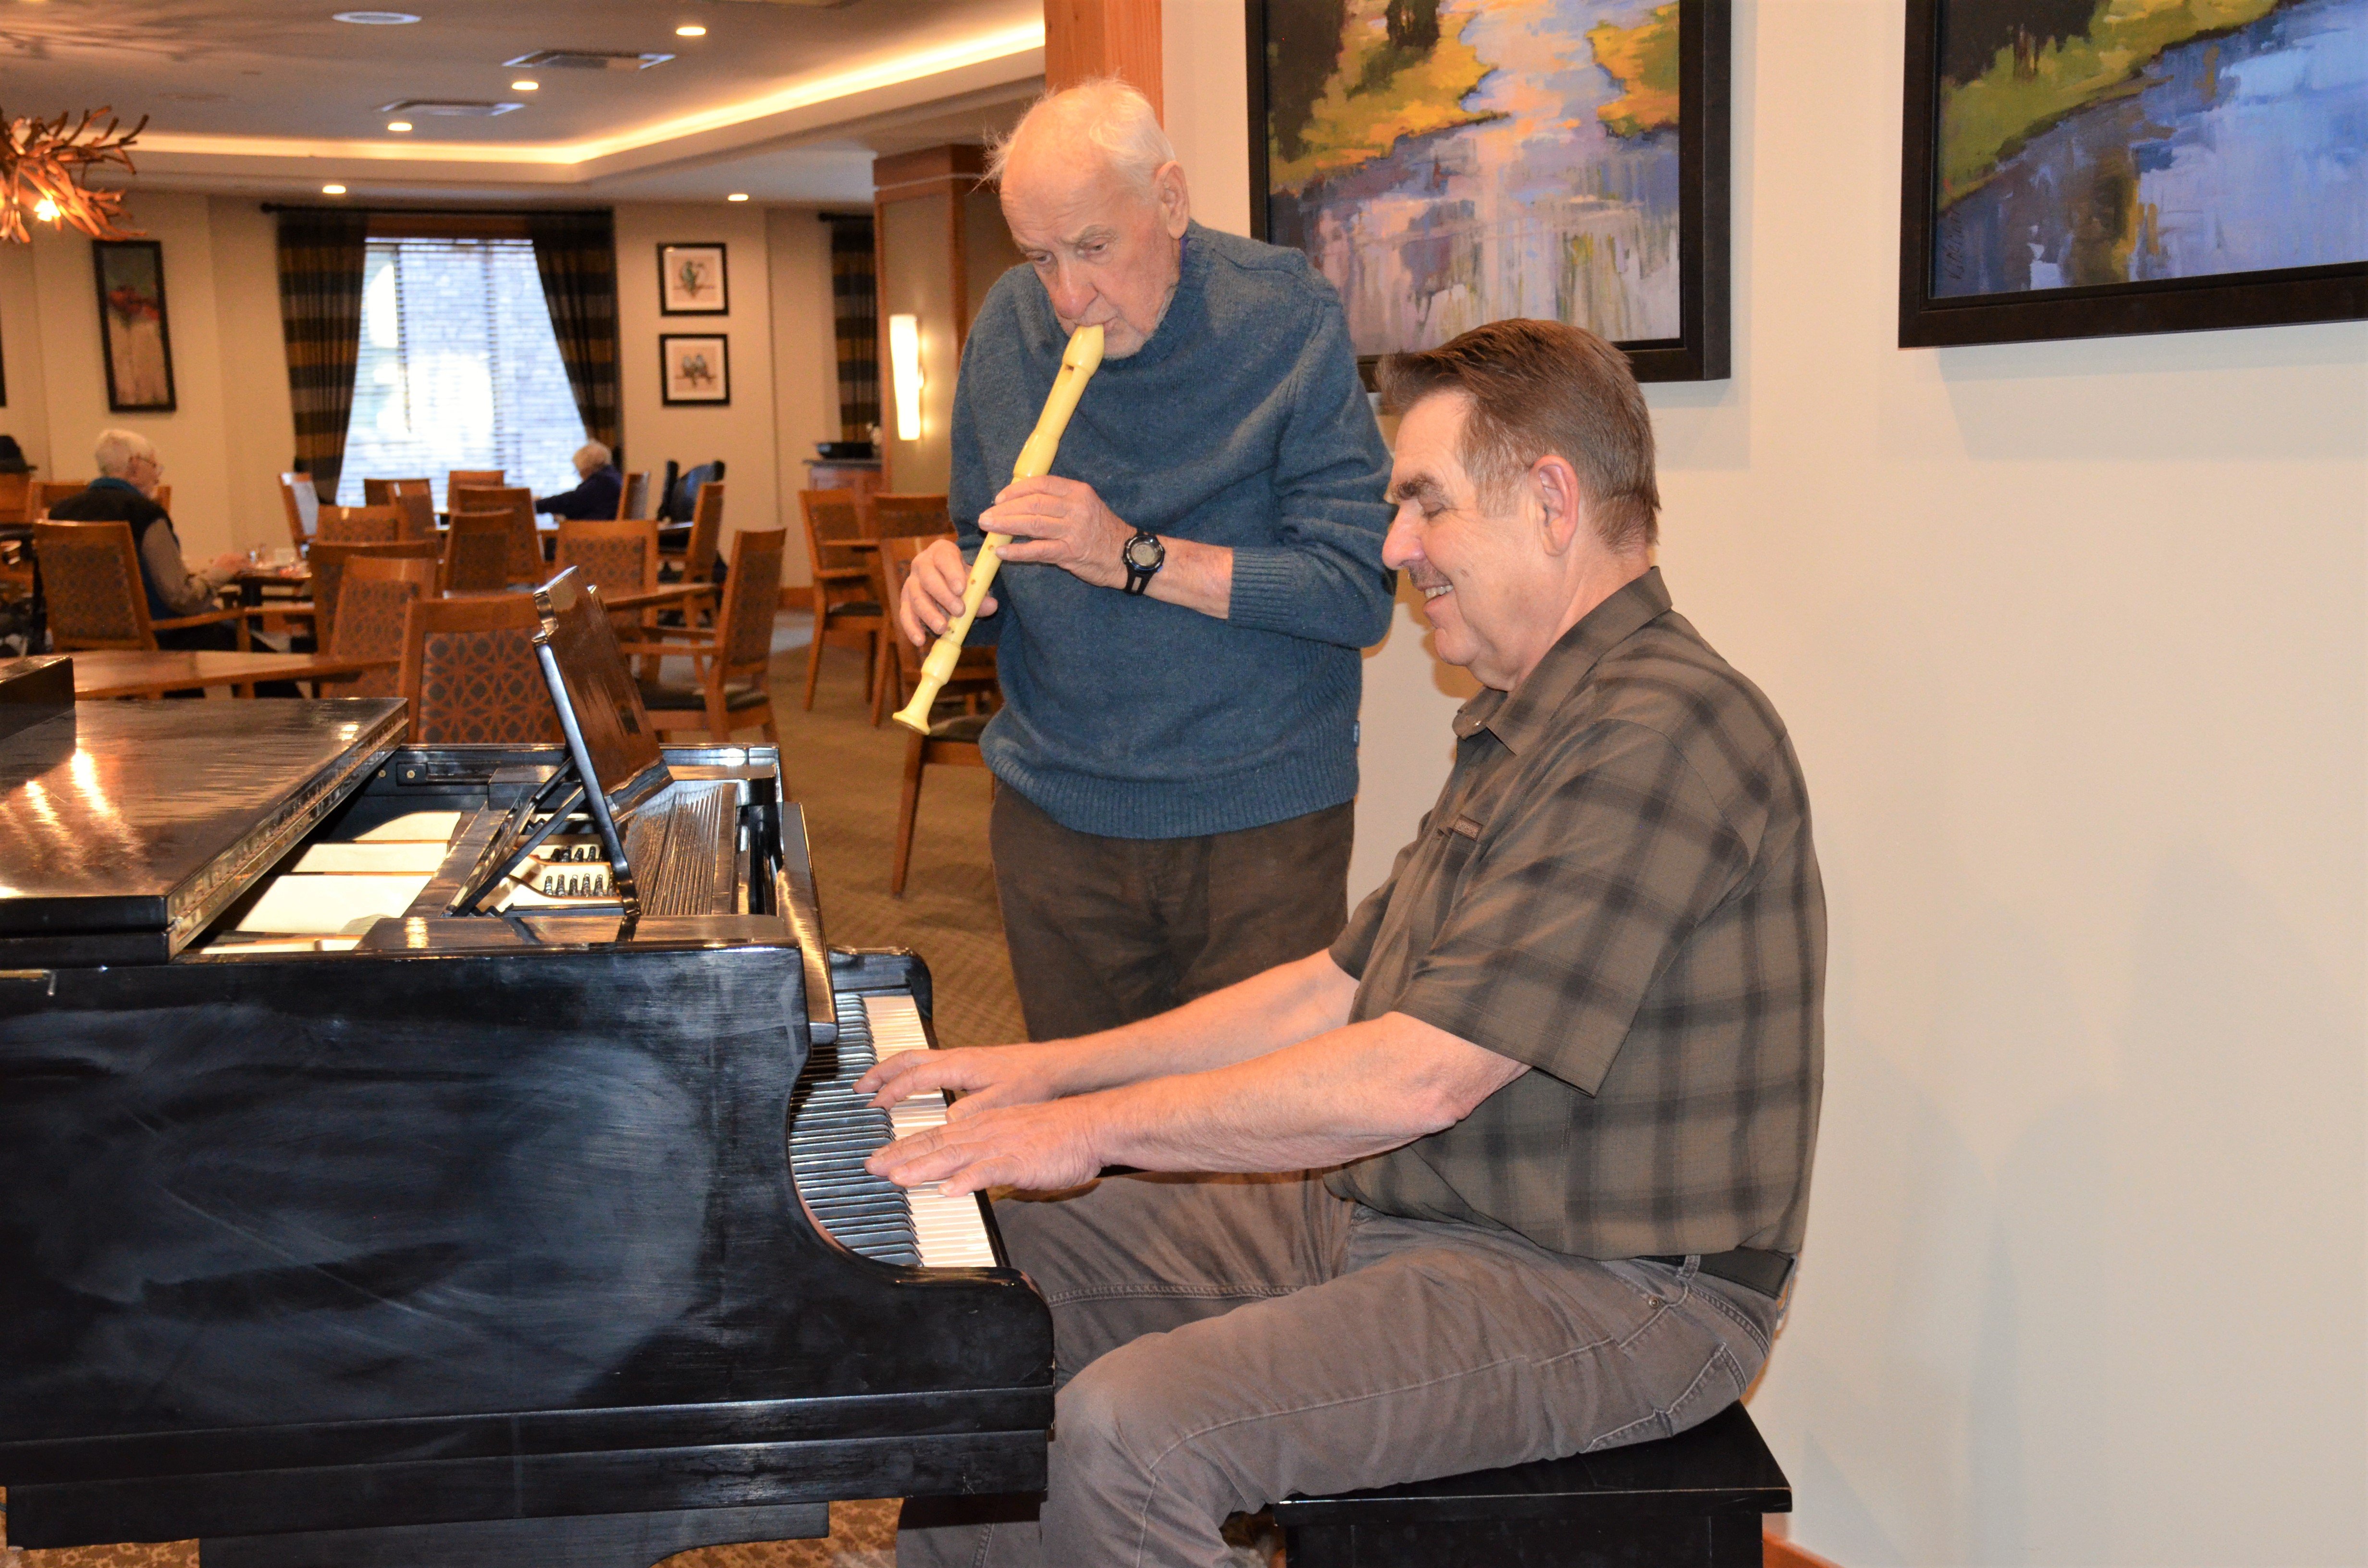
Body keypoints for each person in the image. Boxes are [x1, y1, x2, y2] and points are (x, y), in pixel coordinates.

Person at [864, 318, 1825, 1568]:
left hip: (1610, 1285)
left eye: (1425, 503)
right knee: (991, 1278)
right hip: (1405, 1214)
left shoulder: (1665, 731)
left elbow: (1420, 1075)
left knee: (1129, 1435)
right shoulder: (1532, 717)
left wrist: (1092, 1130)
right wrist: (1049, 1074)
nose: (1394, 547)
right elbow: (1334, 989)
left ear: (1549, 500)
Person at [895, 79, 1394, 1042]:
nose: (1069, 297)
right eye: (1040, 257)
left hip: (1255, 820)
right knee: (1083, 1148)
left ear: (1168, 203)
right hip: (1055, 816)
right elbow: (979, 528)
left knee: (1250, 1160)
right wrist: (949, 574)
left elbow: (1356, 591)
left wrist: (1126, 552)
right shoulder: (1008, 326)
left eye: (1092, 248)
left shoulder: (1283, 316)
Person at [49, 429, 244, 648]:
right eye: (154, 466)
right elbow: (182, 599)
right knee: (246, 642)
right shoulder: (145, 515)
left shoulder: (60, 513)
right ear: (134, 466)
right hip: (155, 643)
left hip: (81, 646)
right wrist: (220, 572)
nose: (158, 476)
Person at [533, 441, 622, 519]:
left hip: (596, 534)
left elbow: (568, 502)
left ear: (586, 468)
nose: (580, 475)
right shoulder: (614, 477)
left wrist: (534, 505)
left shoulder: (603, 482)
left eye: (578, 470)